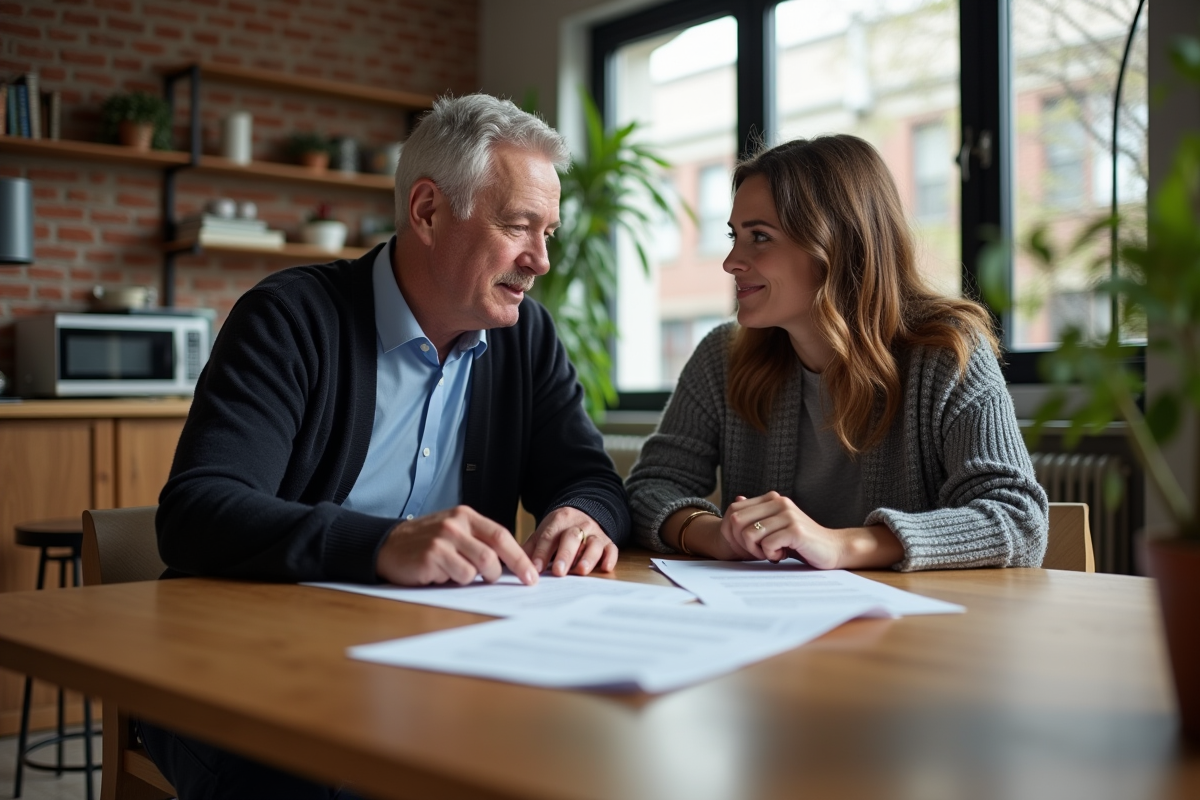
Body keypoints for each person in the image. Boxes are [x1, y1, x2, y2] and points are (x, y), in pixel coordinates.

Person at [143, 94, 631, 799]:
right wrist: (383, 544)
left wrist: (583, 513)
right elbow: (195, 512)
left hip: (431, 658)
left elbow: (590, 479)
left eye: (549, 232)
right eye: (520, 226)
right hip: (242, 664)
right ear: (427, 212)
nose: (542, 260)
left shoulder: (527, 338)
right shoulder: (288, 318)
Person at [626, 135, 1047, 571]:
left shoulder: (948, 353)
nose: (732, 260)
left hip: (915, 628)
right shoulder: (723, 355)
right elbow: (648, 490)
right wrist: (713, 534)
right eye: (735, 235)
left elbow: (1020, 520)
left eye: (760, 237)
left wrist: (840, 545)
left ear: (836, 246)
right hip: (772, 623)